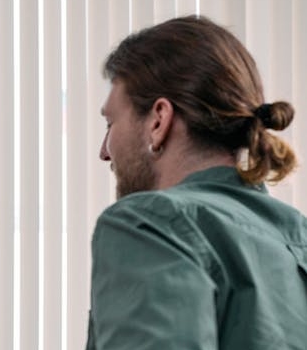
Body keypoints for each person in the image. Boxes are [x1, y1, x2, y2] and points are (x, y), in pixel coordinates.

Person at [87, 15, 307, 349]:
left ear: (159, 120)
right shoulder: (296, 236)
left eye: (110, 123)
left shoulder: (148, 223)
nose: (105, 152)